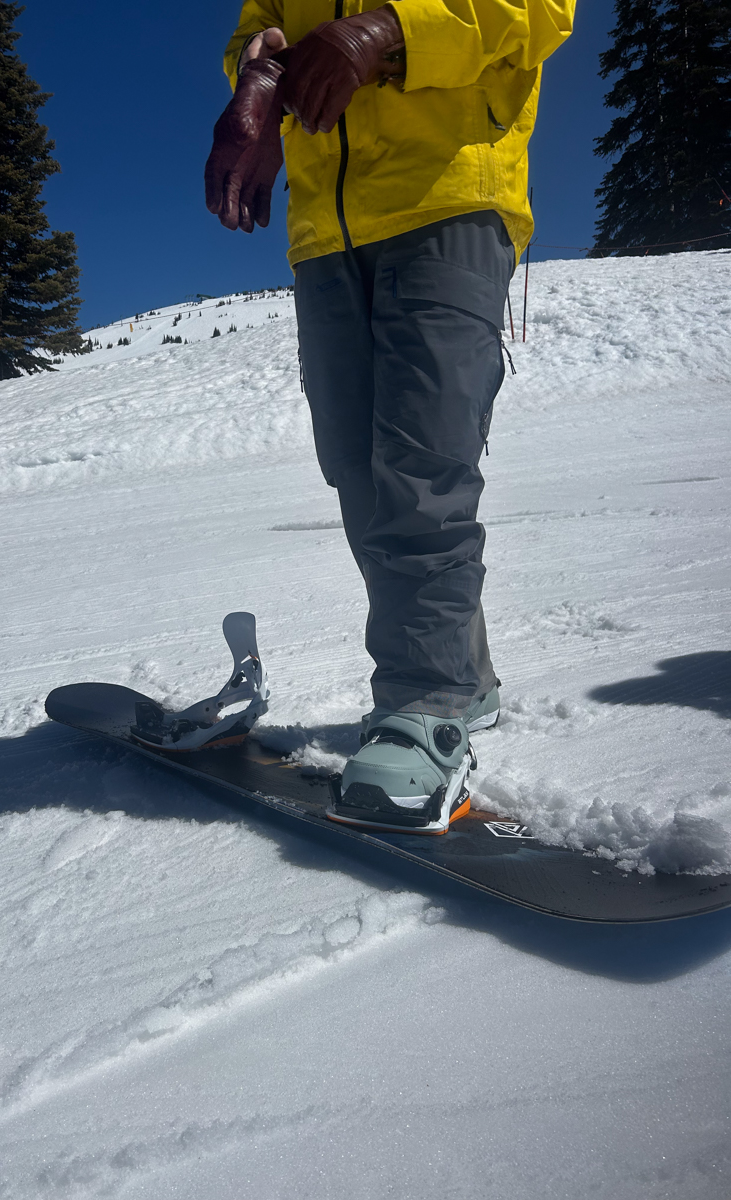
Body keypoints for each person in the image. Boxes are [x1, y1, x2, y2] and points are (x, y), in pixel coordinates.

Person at [205, 0, 574, 835]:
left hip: (447, 195)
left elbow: (541, 10)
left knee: (423, 462)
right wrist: (258, 72)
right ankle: (464, 676)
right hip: (325, 229)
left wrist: (390, 30)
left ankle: (427, 701)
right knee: (357, 465)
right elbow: (261, 18)